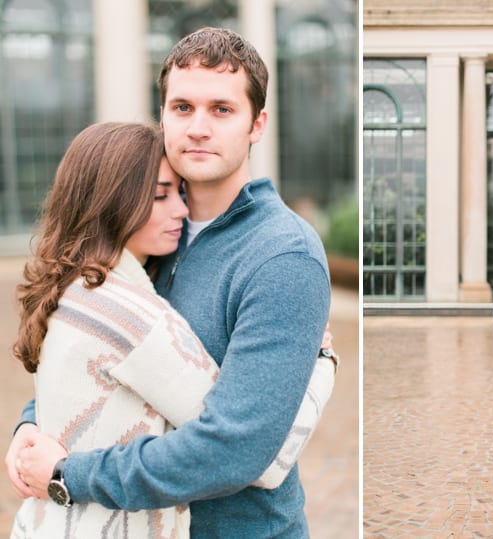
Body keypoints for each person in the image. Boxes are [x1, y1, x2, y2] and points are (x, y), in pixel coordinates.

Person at [8, 27, 333, 538]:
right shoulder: (147, 232)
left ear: (257, 124)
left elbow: (236, 448)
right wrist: (32, 426)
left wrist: (69, 474)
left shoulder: (283, 255)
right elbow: (93, 358)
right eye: (182, 107)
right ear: (162, 115)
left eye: (221, 109)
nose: (199, 127)